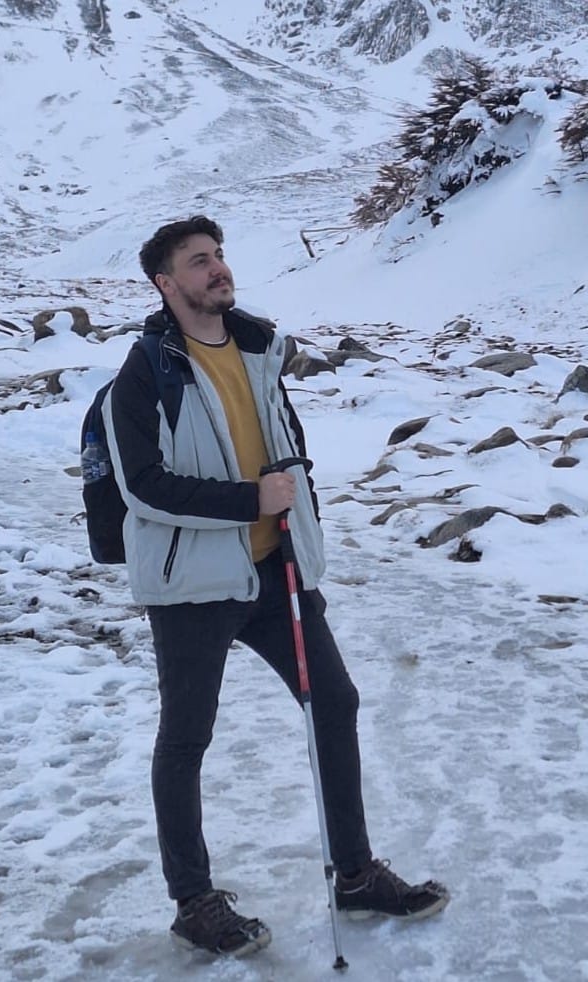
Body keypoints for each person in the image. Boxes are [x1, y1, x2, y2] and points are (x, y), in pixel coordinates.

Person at [102, 216, 449, 957]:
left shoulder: (258, 348)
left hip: (274, 570)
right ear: (166, 283)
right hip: (193, 586)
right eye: (199, 261)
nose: (217, 269)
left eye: (219, 256)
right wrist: (248, 501)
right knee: (186, 738)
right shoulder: (145, 373)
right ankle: (193, 902)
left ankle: (354, 874)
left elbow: (287, 454)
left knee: (335, 702)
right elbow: (143, 487)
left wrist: (294, 522)